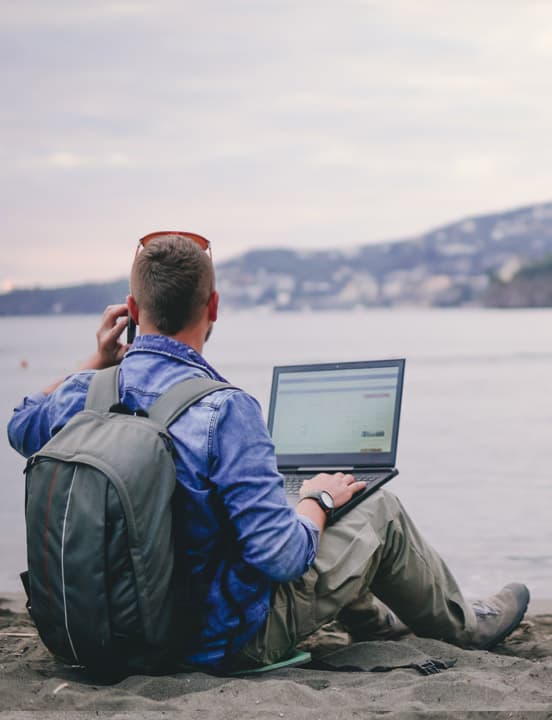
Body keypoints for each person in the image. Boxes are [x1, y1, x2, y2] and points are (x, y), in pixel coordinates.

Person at [7, 232, 529, 672]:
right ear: (213, 307)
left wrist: (97, 360)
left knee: (287, 511)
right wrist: (318, 502)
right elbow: (280, 557)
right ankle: (467, 626)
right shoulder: (226, 411)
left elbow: (21, 426)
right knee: (372, 509)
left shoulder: (84, 391)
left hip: (104, 634)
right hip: (213, 644)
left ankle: (376, 623)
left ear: (134, 311)